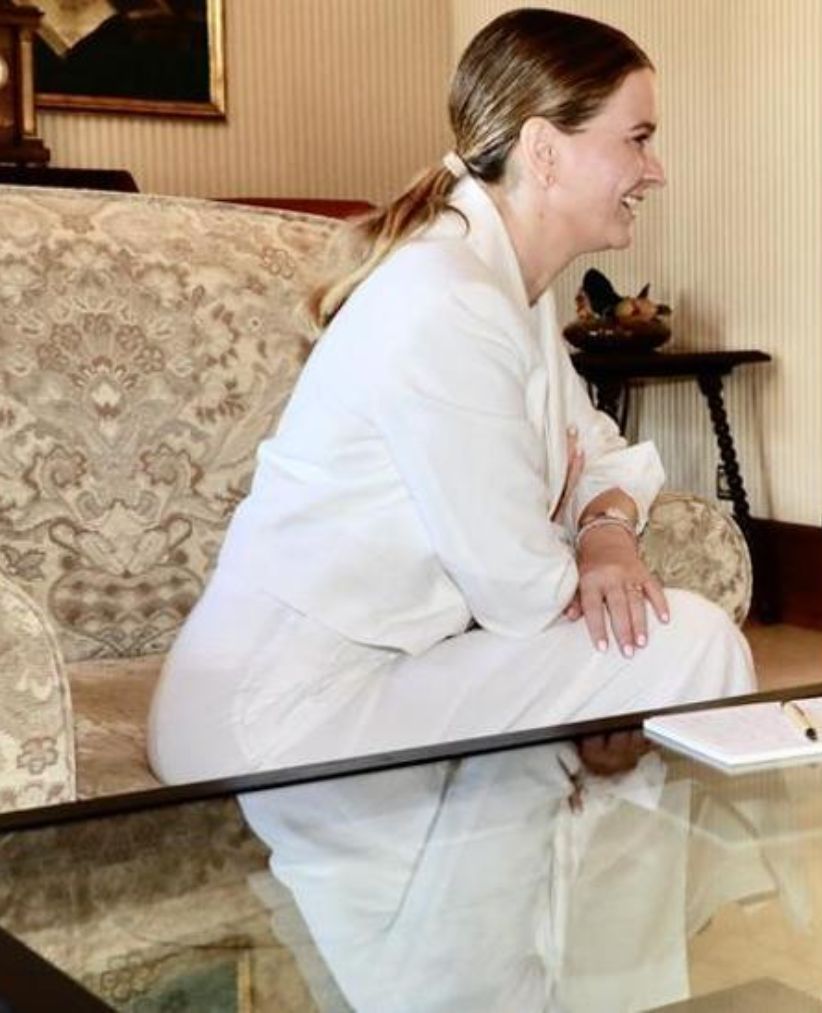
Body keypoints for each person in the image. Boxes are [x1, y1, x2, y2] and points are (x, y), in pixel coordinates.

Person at [148, 9, 754, 784]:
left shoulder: (507, 287)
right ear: (544, 150)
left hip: (379, 676)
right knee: (687, 640)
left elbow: (600, 451)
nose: (656, 169)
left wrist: (602, 529)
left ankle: (610, 897)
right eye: (637, 138)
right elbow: (519, 590)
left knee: (681, 641)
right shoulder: (447, 297)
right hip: (276, 712)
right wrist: (563, 523)